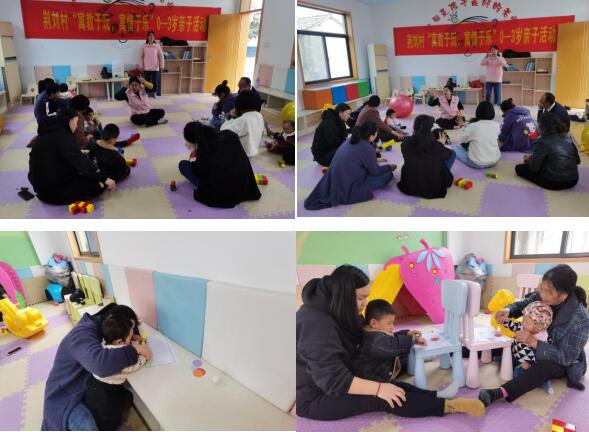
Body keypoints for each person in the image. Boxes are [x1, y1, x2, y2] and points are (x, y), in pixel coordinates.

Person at [296, 265, 486, 421]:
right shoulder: (317, 326)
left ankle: (437, 396)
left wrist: (402, 335)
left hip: (345, 372)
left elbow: (369, 334)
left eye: (366, 297)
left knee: (389, 385)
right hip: (317, 396)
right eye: (361, 298)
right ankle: (450, 406)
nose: (365, 304)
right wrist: (378, 389)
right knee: (384, 397)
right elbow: (334, 381)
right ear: (343, 295)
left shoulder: (341, 306)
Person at [479, 264, 589, 407]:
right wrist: (507, 310)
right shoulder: (542, 296)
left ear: (563, 295)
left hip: (559, 358)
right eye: (541, 288)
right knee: (508, 344)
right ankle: (466, 350)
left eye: (547, 291)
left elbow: (567, 357)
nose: (542, 294)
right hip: (531, 348)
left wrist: (534, 342)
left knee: (546, 367)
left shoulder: (580, 319)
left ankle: (499, 393)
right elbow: (522, 305)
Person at [42, 304, 152, 430]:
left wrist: (133, 334)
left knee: (124, 398)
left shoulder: (106, 327)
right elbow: (101, 364)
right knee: (87, 424)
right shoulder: (82, 334)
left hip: (87, 387)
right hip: (64, 397)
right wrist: (135, 349)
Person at [28, 107, 116, 205]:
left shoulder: (49, 131)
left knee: (85, 170)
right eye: (76, 122)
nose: (76, 126)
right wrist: (105, 178)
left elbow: (56, 153)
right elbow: (80, 162)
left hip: (40, 185)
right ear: (69, 121)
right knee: (99, 185)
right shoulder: (63, 136)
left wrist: (78, 152)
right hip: (51, 192)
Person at [304, 122, 396, 210]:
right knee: (388, 175)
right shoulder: (367, 147)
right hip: (349, 184)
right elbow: (375, 171)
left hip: (335, 178)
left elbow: (357, 157)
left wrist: (374, 159)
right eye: (376, 133)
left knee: (371, 170)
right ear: (372, 136)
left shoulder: (352, 139)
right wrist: (389, 167)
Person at [83, 311, 146, 430]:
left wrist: (132, 338)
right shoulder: (121, 360)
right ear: (119, 342)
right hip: (106, 395)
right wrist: (143, 354)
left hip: (92, 385)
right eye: (129, 338)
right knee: (110, 419)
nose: (131, 340)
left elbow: (121, 346)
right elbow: (136, 364)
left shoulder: (103, 342)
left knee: (125, 397)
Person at [178, 121, 261, 208]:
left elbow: (196, 170)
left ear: (194, 142)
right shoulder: (229, 134)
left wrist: (193, 151)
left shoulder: (204, 151)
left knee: (183, 165)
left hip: (222, 194)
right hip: (243, 186)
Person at [515, 112, 580, 190]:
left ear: (542, 127)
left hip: (555, 182)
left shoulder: (541, 141)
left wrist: (529, 160)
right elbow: (577, 161)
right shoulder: (567, 136)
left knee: (519, 168)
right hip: (574, 179)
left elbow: (534, 168)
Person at [502, 301, 555, 395]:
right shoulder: (522, 326)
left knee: (520, 374)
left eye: (526, 322)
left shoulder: (542, 337)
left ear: (539, 327)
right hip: (516, 355)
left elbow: (545, 354)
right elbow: (513, 325)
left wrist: (529, 364)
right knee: (507, 363)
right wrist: (505, 321)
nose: (523, 322)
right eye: (523, 319)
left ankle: (544, 383)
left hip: (530, 363)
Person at [397, 115, 455, 199]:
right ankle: (439, 173)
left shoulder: (406, 143)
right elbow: (446, 155)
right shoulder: (435, 145)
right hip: (431, 187)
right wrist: (441, 144)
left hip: (409, 185)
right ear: (430, 129)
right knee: (452, 153)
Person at [453, 101, 501, 169]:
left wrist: (461, 127)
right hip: (494, 161)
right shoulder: (497, 125)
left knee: (455, 149)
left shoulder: (473, 126)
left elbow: (462, 140)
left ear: (478, 112)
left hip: (477, 163)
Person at [220, 90, 265, 157]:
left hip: (242, 155)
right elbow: (263, 133)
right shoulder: (259, 115)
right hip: (253, 151)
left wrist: (232, 117)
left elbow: (223, 131)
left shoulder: (244, 120)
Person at [141, 31, 164, 97]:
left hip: (155, 67)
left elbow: (161, 56)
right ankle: (147, 93)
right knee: (146, 81)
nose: (151, 37)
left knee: (155, 81)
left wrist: (161, 66)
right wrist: (141, 66)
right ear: (147, 37)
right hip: (146, 67)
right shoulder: (144, 46)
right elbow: (141, 57)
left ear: (154, 37)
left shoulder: (157, 45)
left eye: (152, 36)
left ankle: (154, 93)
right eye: (150, 35)